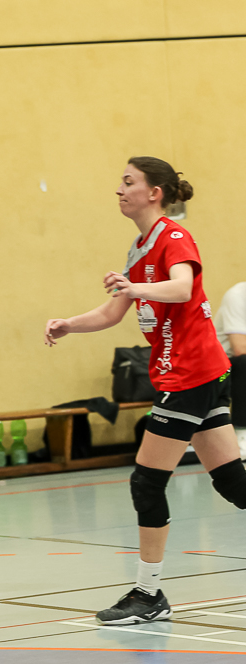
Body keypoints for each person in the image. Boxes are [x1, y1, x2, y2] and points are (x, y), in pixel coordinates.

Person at [45, 156, 246, 625]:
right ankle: (148, 593)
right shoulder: (139, 248)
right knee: (235, 484)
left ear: (154, 192)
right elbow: (114, 311)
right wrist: (68, 325)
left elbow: (181, 288)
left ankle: (148, 593)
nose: (119, 189)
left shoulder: (174, 238)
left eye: (128, 181)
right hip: (195, 374)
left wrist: (135, 288)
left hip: (191, 374)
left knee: (146, 481)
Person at [213, 281, 246, 459]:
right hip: (220, 374)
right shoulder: (238, 296)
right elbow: (240, 348)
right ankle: (242, 434)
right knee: (244, 363)